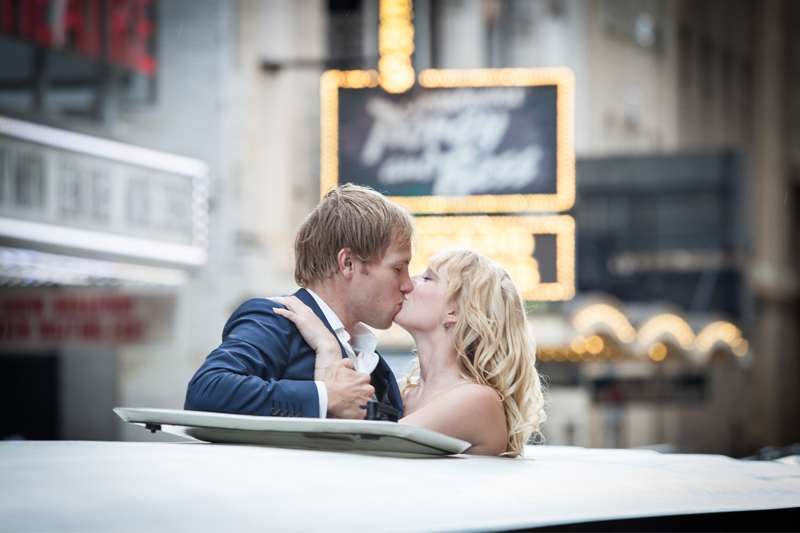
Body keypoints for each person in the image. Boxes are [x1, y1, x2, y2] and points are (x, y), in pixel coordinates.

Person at [272, 248, 547, 457]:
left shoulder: (476, 399)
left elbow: (359, 449)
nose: (408, 283)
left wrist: (329, 347)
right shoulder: (402, 390)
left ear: (455, 311)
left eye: (427, 277)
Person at [184, 184, 417, 419]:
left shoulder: (373, 362)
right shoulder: (276, 318)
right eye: (398, 268)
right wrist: (326, 397)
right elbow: (206, 390)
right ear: (348, 263)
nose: (408, 284)